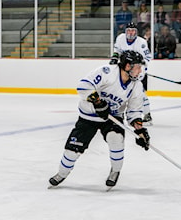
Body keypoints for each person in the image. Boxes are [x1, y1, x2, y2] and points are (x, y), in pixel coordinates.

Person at [49, 50, 150, 188]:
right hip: (88, 117)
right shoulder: (107, 72)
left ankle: (115, 171)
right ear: (127, 66)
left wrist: (140, 130)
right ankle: (61, 173)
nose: (140, 70)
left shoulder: (136, 85)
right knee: (72, 150)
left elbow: (134, 110)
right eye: (137, 66)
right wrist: (98, 103)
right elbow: (83, 86)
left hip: (112, 117)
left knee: (116, 139)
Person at [110, 22, 153, 124]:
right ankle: (118, 113)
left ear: (136, 32)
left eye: (133, 30)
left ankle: (147, 115)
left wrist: (140, 69)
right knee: (119, 91)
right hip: (124, 70)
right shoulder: (120, 38)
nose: (131, 32)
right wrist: (115, 57)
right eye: (128, 30)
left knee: (139, 93)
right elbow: (117, 50)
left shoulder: (141, 42)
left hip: (136, 71)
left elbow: (147, 58)